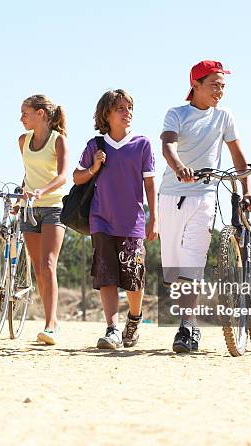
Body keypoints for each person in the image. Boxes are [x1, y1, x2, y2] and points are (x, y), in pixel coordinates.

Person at [159, 60, 251, 353]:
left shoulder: (224, 117)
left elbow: (238, 157)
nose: (220, 91)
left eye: (223, 86)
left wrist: (247, 190)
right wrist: (179, 167)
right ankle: (187, 319)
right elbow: (168, 145)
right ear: (196, 85)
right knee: (174, 267)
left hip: (204, 195)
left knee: (193, 260)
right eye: (215, 84)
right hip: (171, 195)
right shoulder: (176, 114)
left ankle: (186, 327)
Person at [73, 89, 157, 349]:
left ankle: (134, 319)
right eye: (120, 108)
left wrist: (154, 218)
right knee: (106, 276)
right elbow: (77, 177)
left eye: (129, 107)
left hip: (133, 223)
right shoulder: (95, 145)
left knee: (133, 276)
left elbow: (150, 184)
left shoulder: (142, 144)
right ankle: (111, 329)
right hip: (101, 220)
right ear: (106, 114)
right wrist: (93, 168)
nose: (127, 112)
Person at [18, 95, 68, 345]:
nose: (21, 118)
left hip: (53, 208)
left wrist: (42, 191)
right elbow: (28, 174)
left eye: (25, 113)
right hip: (29, 209)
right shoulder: (22, 141)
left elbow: (62, 177)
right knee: (38, 268)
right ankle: (49, 320)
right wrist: (21, 194)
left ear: (40, 114)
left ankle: (52, 324)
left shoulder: (58, 141)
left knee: (48, 264)